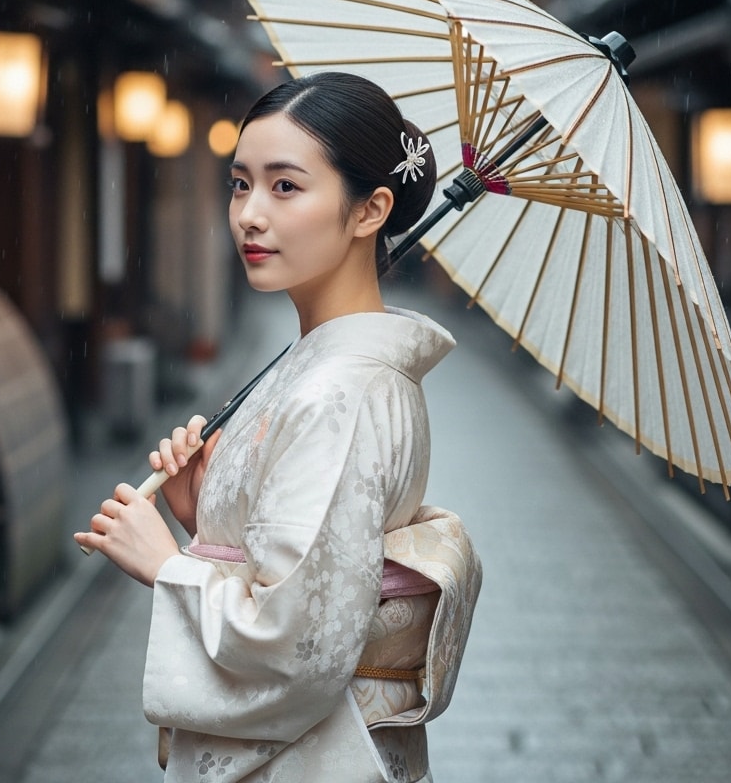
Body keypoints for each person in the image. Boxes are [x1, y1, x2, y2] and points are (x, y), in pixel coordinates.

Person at [75, 72, 480, 782]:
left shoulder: (339, 394)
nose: (249, 215)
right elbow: (305, 558)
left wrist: (169, 566)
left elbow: (301, 645)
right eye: (240, 184)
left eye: (285, 187)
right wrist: (209, 514)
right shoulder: (327, 367)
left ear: (369, 211)